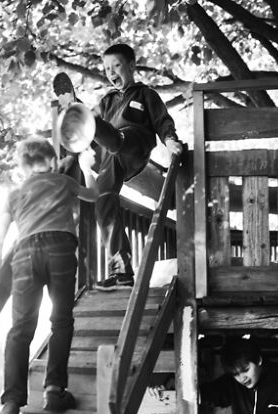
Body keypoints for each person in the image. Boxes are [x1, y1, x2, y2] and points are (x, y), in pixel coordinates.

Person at [0, 137, 99, 414]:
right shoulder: (63, 181)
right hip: (61, 248)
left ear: (23, 166)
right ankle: (54, 389)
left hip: (23, 256)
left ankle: (11, 404)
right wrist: (87, 168)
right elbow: (94, 195)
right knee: (61, 320)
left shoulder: (14, 194)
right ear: (51, 159)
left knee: (20, 330)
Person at [55, 43, 184, 291]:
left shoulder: (145, 95)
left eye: (116, 65)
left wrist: (170, 141)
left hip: (134, 145)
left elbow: (162, 120)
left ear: (131, 66)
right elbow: (95, 131)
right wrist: (69, 157)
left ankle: (79, 111)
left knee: (116, 138)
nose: (111, 72)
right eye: (106, 68)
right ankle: (121, 267)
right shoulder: (107, 100)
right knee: (102, 198)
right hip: (112, 155)